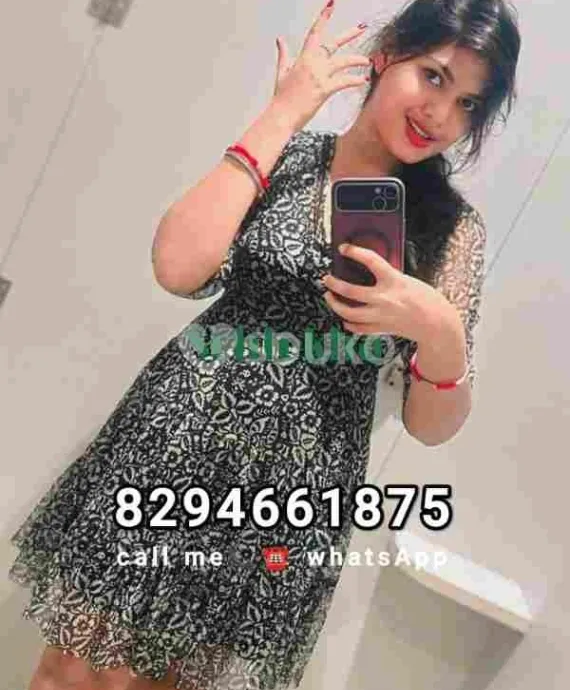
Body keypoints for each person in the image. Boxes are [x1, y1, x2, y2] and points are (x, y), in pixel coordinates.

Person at [8, 0, 521, 688]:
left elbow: (432, 426)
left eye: (467, 104)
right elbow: (178, 267)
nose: (440, 113)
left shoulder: (451, 230)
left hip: (291, 496)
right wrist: (282, 114)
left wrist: (440, 331)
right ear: (387, 52)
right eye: (433, 76)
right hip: (176, 444)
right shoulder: (289, 157)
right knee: (73, 676)